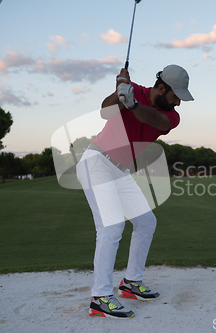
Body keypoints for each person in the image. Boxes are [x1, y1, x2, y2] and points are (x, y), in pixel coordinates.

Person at [76, 64, 194, 319]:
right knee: (111, 227)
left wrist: (131, 105)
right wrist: (119, 90)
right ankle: (100, 297)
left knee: (146, 221)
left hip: (120, 170)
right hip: (96, 162)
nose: (178, 103)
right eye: (175, 96)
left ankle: (130, 283)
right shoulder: (133, 91)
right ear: (161, 88)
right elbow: (105, 112)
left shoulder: (171, 115)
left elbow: (154, 119)